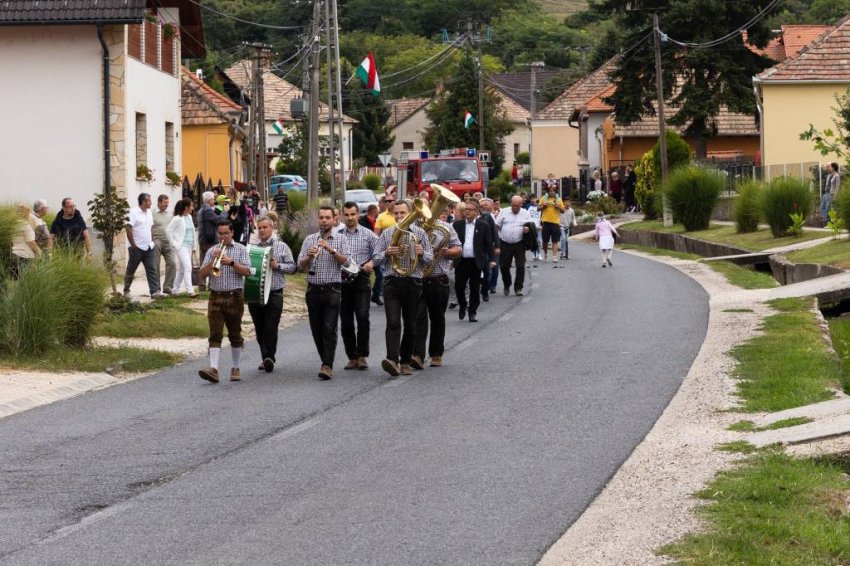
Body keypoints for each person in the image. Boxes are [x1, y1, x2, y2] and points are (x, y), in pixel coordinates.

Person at [374, 199, 434, 377]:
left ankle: (405, 360)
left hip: (412, 282)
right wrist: (386, 253)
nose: (400, 216)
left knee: (411, 324)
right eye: (396, 213)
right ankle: (392, 359)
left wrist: (422, 253)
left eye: (403, 213)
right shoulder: (387, 234)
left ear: (410, 214)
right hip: (392, 281)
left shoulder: (420, 233)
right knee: (393, 322)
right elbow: (376, 259)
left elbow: (430, 260)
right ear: (392, 215)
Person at [297, 206, 352, 380]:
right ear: (318, 220)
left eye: (328, 217)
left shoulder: (341, 239)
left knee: (329, 327)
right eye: (321, 217)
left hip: (332, 289)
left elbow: (347, 262)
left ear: (334, 220)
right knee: (316, 329)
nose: (324, 220)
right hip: (313, 289)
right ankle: (325, 359)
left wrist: (330, 249)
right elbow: (300, 265)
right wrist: (309, 256)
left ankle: (327, 364)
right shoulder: (309, 239)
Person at [197, 219, 252, 383]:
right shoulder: (212, 250)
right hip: (215, 296)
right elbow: (202, 274)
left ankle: (235, 367)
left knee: (235, 333)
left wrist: (231, 262)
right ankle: (213, 369)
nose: (223, 237)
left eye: (226, 233)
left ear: (232, 233)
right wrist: (212, 261)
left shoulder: (241, 249)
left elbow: (248, 271)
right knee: (215, 333)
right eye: (220, 234)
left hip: (234, 296)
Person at [412, 201, 460, 369]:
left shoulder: (445, 227)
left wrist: (448, 252)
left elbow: (458, 249)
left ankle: (436, 354)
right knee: (419, 319)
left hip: (438, 278)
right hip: (418, 279)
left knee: (438, 318)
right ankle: (417, 355)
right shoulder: (412, 227)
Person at [249, 215, 296, 373]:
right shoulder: (252, 248)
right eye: (259, 228)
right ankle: (265, 357)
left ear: (272, 228)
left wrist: (278, 265)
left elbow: (292, 267)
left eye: (265, 227)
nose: (261, 230)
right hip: (255, 293)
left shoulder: (281, 246)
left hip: (275, 292)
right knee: (259, 327)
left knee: (271, 325)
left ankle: (269, 357)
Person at [337, 202, 379, 370]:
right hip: (342, 279)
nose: (349, 218)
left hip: (361, 278)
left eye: (352, 214)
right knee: (346, 321)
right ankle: (352, 356)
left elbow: (380, 252)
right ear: (342, 216)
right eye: (346, 215)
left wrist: (372, 263)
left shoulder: (368, 234)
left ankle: (362, 355)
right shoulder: (337, 235)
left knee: (362, 317)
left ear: (357, 215)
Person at [452, 199, 495, 323]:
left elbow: (488, 244)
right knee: (459, 287)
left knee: (474, 288)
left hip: (476, 262)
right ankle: (462, 304)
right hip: (461, 261)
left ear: (476, 212)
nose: (467, 212)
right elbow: (452, 242)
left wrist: (492, 259)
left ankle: (472, 312)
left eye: (469, 209)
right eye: (465, 209)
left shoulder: (483, 225)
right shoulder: (457, 225)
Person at [124, 193, 166, 299]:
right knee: (131, 269)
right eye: (149, 201)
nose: (151, 203)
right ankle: (126, 290)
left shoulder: (149, 212)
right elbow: (128, 228)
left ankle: (154, 292)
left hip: (148, 247)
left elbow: (151, 227)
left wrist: (152, 241)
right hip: (136, 247)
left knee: (152, 269)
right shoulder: (133, 212)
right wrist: (133, 245)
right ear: (143, 201)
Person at [495, 195, 531, 296]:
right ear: (511, 203)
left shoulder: (526, 213)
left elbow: (531, 227)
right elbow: (497, 226)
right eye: (513, 205)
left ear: (521, 205)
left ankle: (518, 287)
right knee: (504, 266)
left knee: (520, 266)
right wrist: (495, 241)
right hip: (505, 242)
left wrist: (527, 229)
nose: (515, 207)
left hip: (519, 243)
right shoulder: (504, 211)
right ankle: (507, 284)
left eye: (517, 206)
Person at [166, 198, 198, 297]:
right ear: (186, 207)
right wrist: (174, 243)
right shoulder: (177, 218)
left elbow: (192, 232)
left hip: (189, 246)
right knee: (188, 267)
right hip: (181, 247)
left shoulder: (189, 217)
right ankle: (190, 291)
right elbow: (168, 231)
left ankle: (175, 290)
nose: (192, 208)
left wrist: (194, 246)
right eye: (191, 206)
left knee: (182, 269)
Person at [152, 194, 178, 295]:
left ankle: (168, 287)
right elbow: (149, 226)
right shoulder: (152, 213)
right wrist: (152, 239)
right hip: (157, 241)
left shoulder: (171, 213)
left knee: (172, 263)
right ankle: (156, 288)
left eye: (167, 203)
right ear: (159, 203)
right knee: (155, 265)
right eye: (164, 203)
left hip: (169, 242)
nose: (166, 205)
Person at [372, 196, 396, 306]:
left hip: (401, 249)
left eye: (390, 201)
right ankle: (381, 295)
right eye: (386, 201)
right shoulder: (381, 216)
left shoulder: (401, 214)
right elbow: (376, 235)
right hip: (386, 250)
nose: (388, 202)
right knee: (384, 274)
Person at [538, 176, 566, 263]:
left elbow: (563, 211)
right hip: (545, 222)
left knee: (555, 240)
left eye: (553, 191)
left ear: (555, 191)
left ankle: (554, 256)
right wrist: (543, 206)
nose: (552, 192)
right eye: (550, 191)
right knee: (545, 241)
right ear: (548, 191)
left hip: (555, 222)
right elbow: (538, 208)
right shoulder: (543, 198)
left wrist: (558, 207)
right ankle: (546, 254)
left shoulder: (559, 200)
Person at [197, 191, 222, 290]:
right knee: (214, 261)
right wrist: (224, 211)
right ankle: (212, 285)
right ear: (208, 200)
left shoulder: (201, 209)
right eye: (213, 198)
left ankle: (202, 285)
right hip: (209, 240)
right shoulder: (207, 210)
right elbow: (218, 220)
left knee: (203, 262)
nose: (214, 200)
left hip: (203, 240)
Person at [11, 204, 41, 278]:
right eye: (28, 213)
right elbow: (30, 242)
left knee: (16, 280)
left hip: (15, 254)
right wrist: (39, 252)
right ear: (26, 213)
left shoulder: (13, 225)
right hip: (25, 256)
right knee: (28, 281)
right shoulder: (25, 225)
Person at [478, 198, 499, 298]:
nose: (483, 206)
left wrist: (497, 246)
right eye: (481, 204)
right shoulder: (468, 218)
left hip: (487, 247)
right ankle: (476, 289)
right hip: (475, 249)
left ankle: (487, 288)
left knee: (488, 270)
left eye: (485, 204)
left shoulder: (487, 216)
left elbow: (494, 231)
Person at [527, 194, 542, 261]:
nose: (533, 200)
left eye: (534, 198)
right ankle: (534, 253)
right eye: (531, 199)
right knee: (533, 241)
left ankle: (539, 253)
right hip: (531, 226)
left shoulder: (540, 207)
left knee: (538, 240)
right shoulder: (528, 207)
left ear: (536, 199)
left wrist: (541, 225)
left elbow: (542, 216)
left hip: (538, 226)